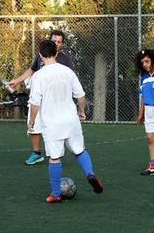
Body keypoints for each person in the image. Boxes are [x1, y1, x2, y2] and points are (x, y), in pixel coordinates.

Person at [28, 39, 103, 203]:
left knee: (55, 158)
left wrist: (32, 121)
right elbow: (81, 95)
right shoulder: (67, 71)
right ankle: (90, 173)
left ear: (40, 55)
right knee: (79, 150)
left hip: (52, 123)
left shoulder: (39, 75)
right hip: (71, 120)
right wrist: (81, 111)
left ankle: (55, 194)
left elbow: (35, 102)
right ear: (56, 53)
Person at [8, 30, 74, 165]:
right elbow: (31, 70)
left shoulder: (65, 60)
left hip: (55, 101)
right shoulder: (41, 56)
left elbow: (70, 80)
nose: (56, 44)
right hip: (38, 98)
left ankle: (56, 154)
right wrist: (17, 80)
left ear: (61, 45)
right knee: (33, 125)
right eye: (54, 41)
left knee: (55, 127)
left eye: (59, 42)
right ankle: (36, 153)